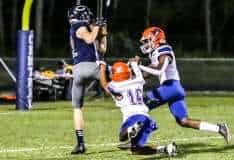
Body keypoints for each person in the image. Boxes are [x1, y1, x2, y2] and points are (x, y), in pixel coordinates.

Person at [132, 26, 230, 143]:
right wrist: (131, 72)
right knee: (183, 121)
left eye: (147, 41)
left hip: (170, 87)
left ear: (156, 39)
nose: (145, 44)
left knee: (139, 106)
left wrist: (138, 65)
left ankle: (136, 139)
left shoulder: (163, 50)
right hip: (174, 89)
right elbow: (147, 73)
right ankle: (220, 128)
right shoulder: (155, 53)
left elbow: (159, 70)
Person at [99, 61, 177, 156]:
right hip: (145, 117)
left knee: (122, 137)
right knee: (136, 149)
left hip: (132, 116)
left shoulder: (116, 86)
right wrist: (134, 64)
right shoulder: (138, 81)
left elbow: (104, 84)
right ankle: (166, 149)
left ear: (116, 75)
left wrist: (102, 67)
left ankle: (131, 129)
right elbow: (138, 74)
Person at [67, 5, 107, 154]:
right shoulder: (79, 26)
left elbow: (102, 48)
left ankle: (80, 143)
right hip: (93, 67)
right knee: (121, 93)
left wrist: (103, 32)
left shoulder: (78, 27)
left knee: (77, 108)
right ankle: (132, 130)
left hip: (78, 70)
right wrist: (97, 27)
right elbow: (90, 40)